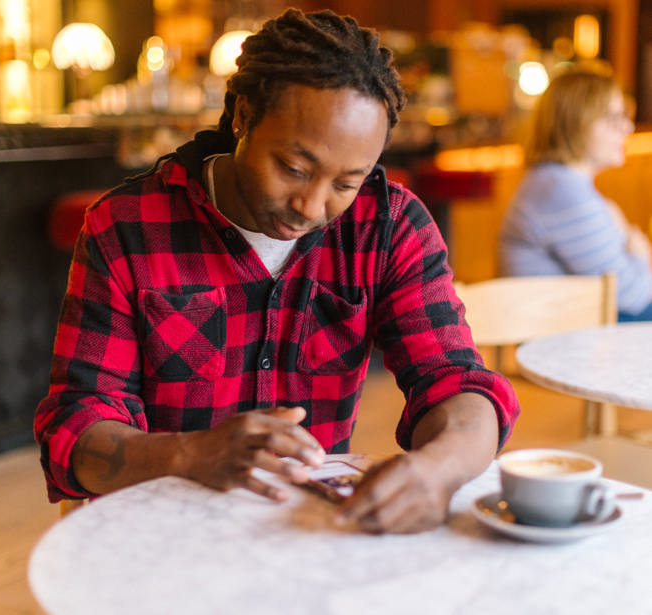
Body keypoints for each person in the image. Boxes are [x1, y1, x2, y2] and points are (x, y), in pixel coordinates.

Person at [35, 8, 519, 534]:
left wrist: (438, 471)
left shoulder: (386, 227)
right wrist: (188, 454)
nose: (311, 206)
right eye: (294, 168)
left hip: (309, 530)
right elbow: (75, 430)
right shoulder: (128, 226)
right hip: (162, 534)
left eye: (345, 182)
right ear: (243, 115)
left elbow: (457, 384)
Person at [499, 65, 652, 321]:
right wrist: (639, 250)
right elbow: (632, 296)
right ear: (575, 123)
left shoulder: (557, 182)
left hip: (579, 336)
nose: (626, 127)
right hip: (564, 346)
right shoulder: (561, 190)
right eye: (612, 117)